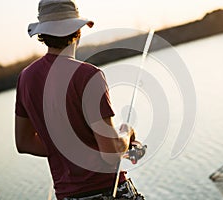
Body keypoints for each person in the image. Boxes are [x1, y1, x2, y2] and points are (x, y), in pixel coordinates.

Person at [14, 0, 145, 199]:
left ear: (43, 33)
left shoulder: (26, 78)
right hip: (109, 192)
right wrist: (127, 133)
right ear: (78, 30)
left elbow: (23, 142)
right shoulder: (88, 75)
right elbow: (110, 153)